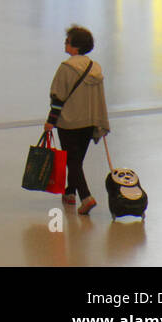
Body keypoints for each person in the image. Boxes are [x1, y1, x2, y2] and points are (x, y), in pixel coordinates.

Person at [44, 25, 110, 216]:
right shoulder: (95, 68)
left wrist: (51, 121)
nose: (65, 43)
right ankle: (70, 193)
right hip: (89, 122)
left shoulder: (66, 68)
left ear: (75, 46)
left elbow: (58, 97)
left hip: (69, 122)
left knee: (72, 161)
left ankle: (86, 197)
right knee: (76, 159)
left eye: (67, 41)